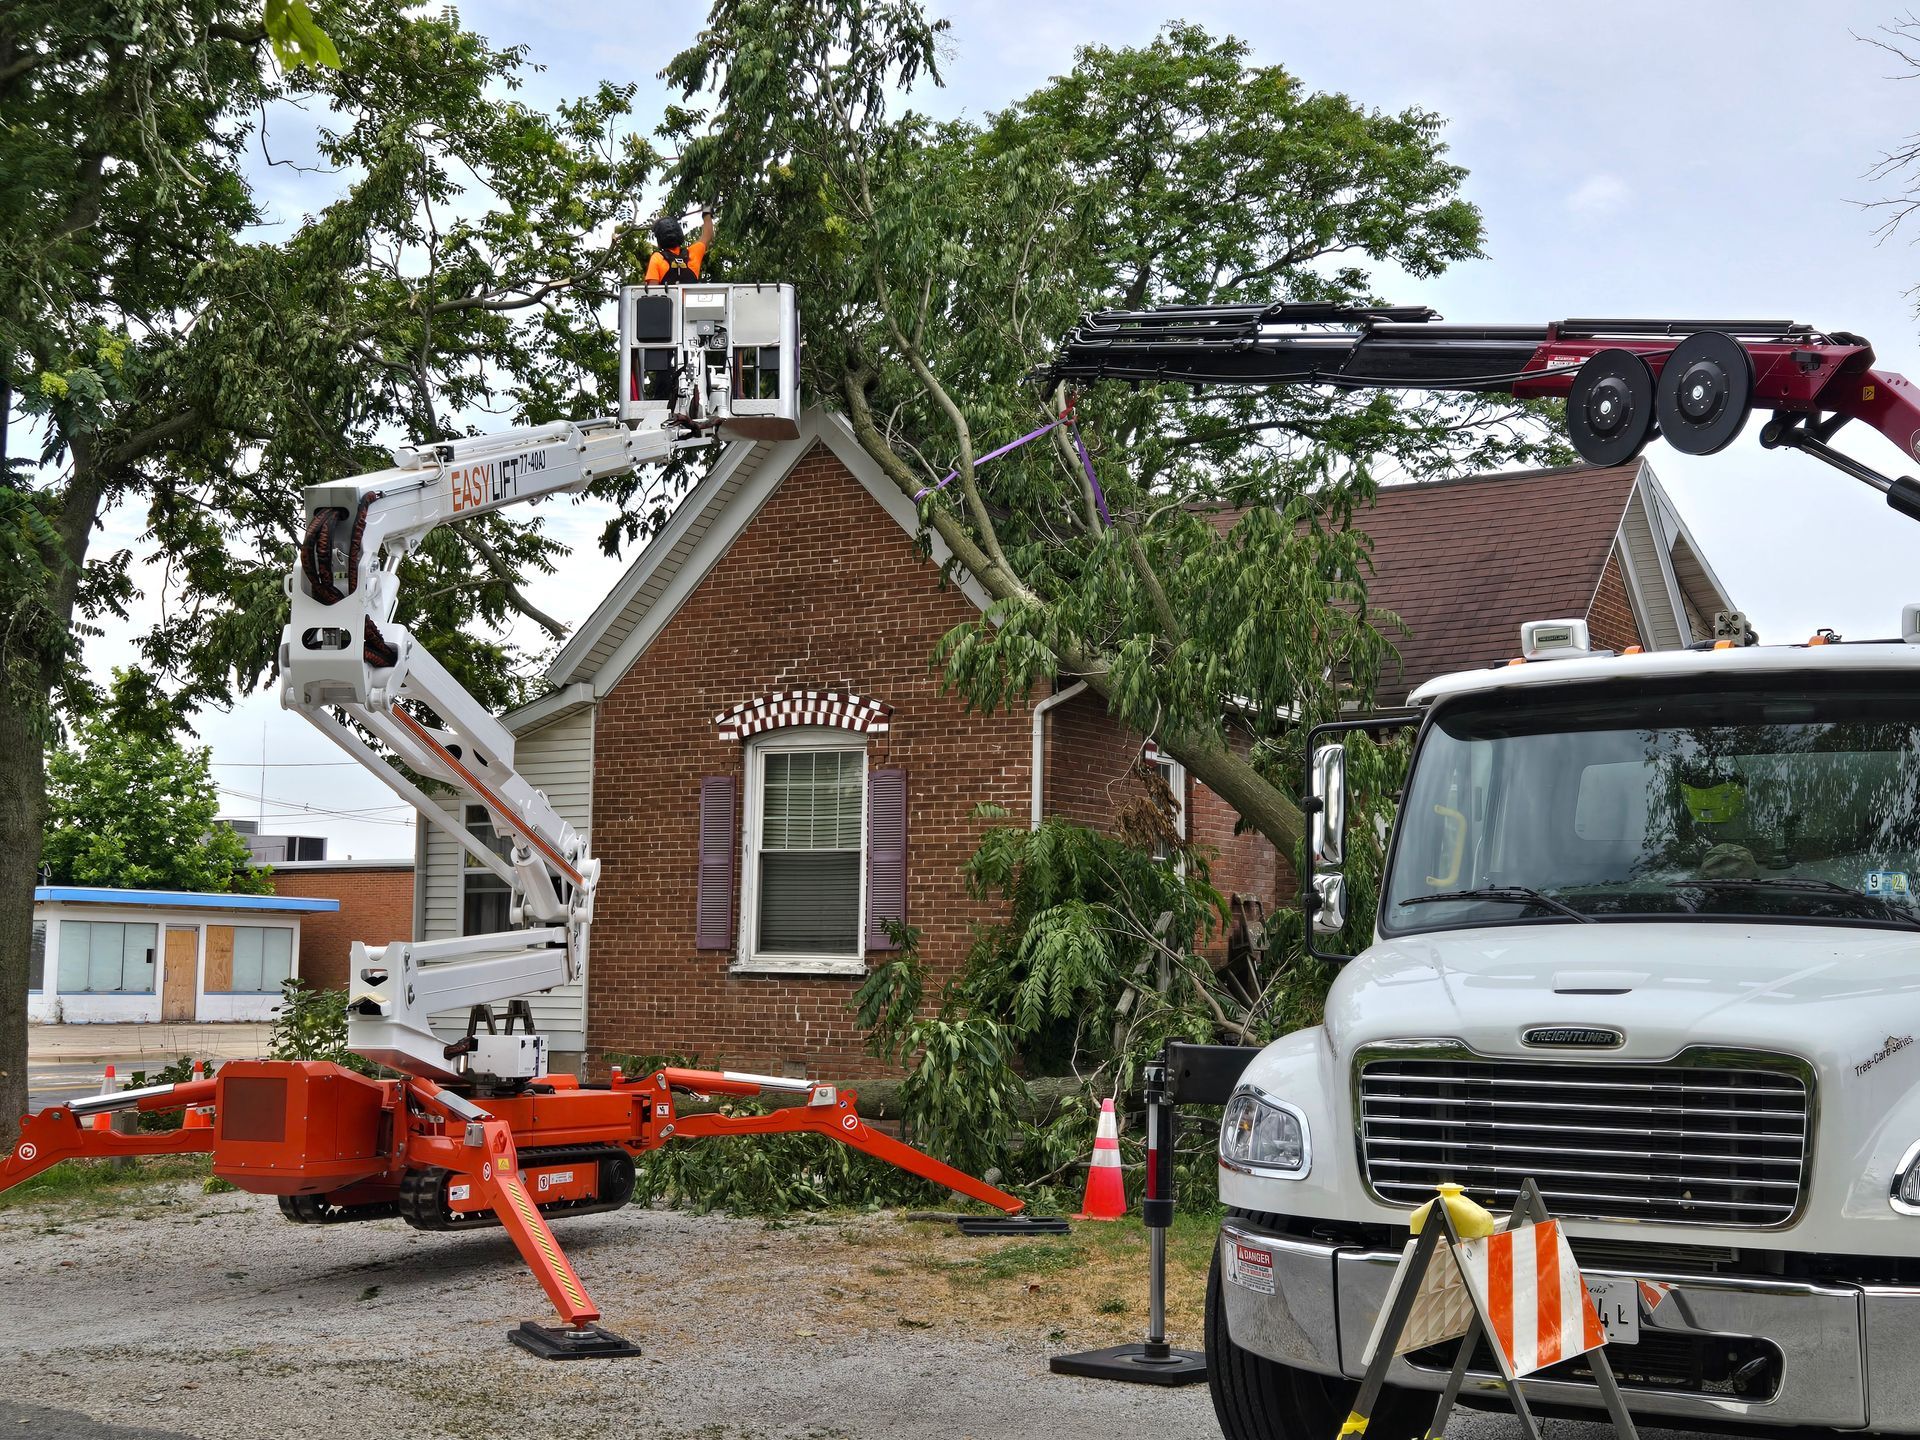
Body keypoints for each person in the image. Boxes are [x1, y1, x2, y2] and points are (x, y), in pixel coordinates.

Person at [646, 208, 714, 285]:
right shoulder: (692, 254)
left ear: (660, 239)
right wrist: (706, 212)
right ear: (679, 234)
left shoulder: (657, 257)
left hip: (667, 297)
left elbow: (653, 290)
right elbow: (708, 235)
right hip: (689, 297)